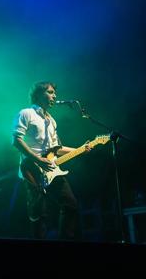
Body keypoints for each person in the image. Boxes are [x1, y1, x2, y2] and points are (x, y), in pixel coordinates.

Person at [12, 81, 89, 240]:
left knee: (71, 205)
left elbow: (57, 148)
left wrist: (80, 149)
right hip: (31, 168)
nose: (54, 96)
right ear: (39, 94)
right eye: (50, 92)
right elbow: (16, 140)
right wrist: (38, 160)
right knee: (39, 213)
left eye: (55, 93)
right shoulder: (26, 113)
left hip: (50, 168)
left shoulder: (52, 121)